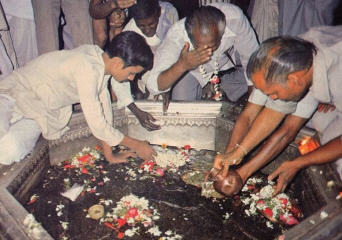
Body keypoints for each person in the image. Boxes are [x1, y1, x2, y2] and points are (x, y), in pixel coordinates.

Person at [210, 26, 342, 197]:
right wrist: (237, 155)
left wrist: (299, 163)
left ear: (294, 80)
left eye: (273, 93)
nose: (271, 99)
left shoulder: (337, 74)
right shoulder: (299, 59)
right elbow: (283, 128)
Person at [0, 31, 157, 166]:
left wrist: (110, 155)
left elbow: (103, 115)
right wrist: (136, 145)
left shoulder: (102, 65)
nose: (131, 78)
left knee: (8, 151)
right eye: (132, 73)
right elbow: (97, 124)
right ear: (117, 63)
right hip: (12, 94)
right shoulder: (87, 68)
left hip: (38, 114)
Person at [146, 3, 259, 109]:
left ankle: (217, 90)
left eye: (212, 45)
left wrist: (251, 107)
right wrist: (181, 65)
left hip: (228, 63)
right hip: (192, 71)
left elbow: (252, 60)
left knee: (259, 74)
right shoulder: (176, 36)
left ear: (222, 33)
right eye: (200, 47)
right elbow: (153, 84)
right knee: (183, 109)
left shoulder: (234, 19)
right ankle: (207, 90)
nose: (206, 52)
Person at [122, 0, 178, 99]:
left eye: (151, 24)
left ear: (159, 12)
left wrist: (166, 84)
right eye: (141, 26)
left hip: (170, 63)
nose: (147, 30)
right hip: (144, 71)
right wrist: (136, 89)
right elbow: (129, 69)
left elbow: (176, 48)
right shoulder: (129, 33)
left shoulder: (170, 13)